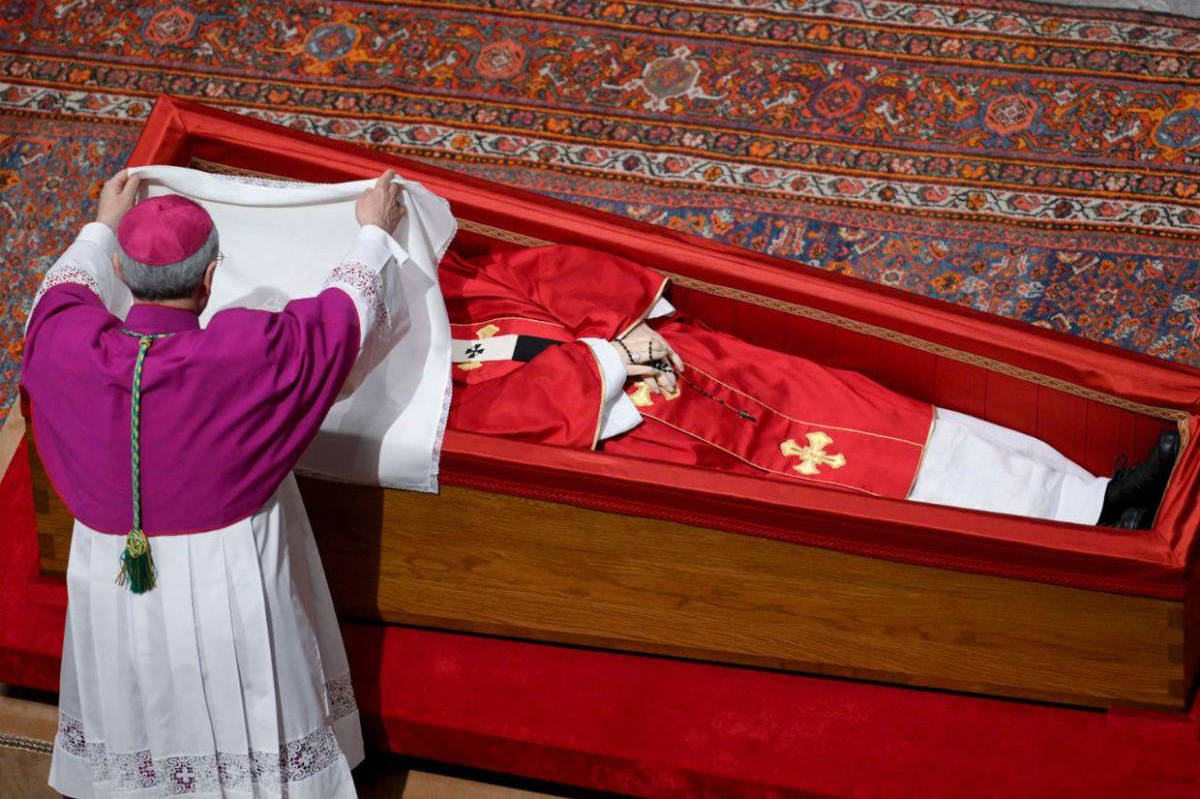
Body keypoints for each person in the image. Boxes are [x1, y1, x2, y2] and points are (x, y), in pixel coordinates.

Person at [21, 168, 408, 798]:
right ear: (209, 279)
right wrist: (372, 231)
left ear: (120, 273)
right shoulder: (245, 353)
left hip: (114, 576)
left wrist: (100, 225)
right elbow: (345, 320)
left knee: (137, 692)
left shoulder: (67, 347)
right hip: (230, 580)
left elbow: (55, 299)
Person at [442, 243, 1178, 528]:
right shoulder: (392, 399)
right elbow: (503, 426)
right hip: (643, 448)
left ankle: (1088, 496)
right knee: (866, 494)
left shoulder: (433, 287)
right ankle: (1093, 544)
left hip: (692, 365)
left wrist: (625, 326)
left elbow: (522, 274)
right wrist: (604, 365)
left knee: (887, 420)